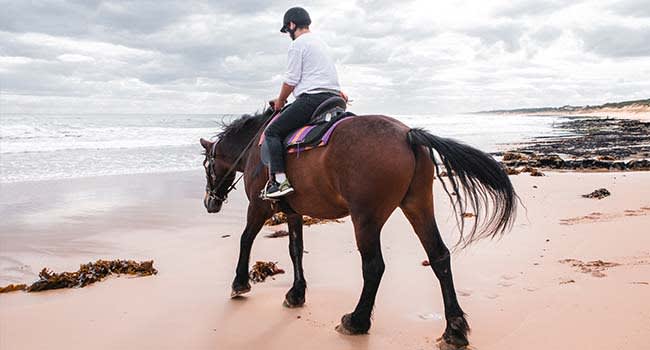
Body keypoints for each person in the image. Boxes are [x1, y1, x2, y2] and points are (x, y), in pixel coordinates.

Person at [264, 7, 341, 198]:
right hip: (333, 98)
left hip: (312, 100)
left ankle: (281, 182)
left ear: (291, 25)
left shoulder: (298, 44)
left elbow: (291, 79)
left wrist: (281, 101)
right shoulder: (321, 43)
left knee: (272, 132)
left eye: (287, 29)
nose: (288, 33)